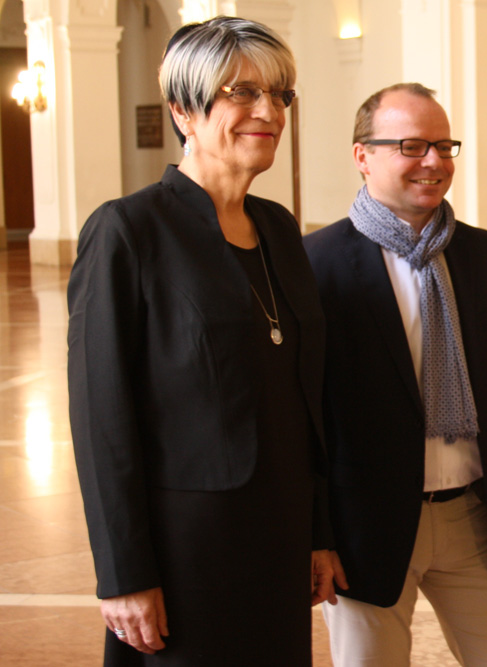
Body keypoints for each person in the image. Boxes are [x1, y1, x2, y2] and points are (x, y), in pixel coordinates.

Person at [67, 17, 336, 665]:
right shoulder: (128, 231)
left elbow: (303, 403)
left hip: (277, 542)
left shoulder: (277, 228)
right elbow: (102, 420)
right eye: (241, 92)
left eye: (280, 94)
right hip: (185, 554)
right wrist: (123, 573)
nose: (268, 111)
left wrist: (317, 534)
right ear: (184, 109)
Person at [303, 83, 487, 667]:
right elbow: (307, 421)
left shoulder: (483, 257)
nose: (434, 161)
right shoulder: (316, 265)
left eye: (443, 145)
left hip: (473, 516)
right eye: (411, 145)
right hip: (365, 529)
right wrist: (316, 537)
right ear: (362, 156)